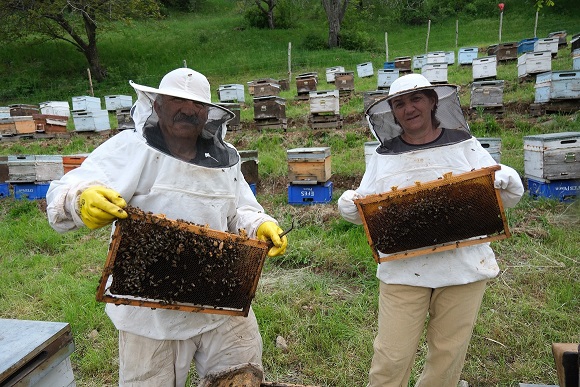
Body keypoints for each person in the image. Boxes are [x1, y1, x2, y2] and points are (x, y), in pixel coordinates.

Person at [46, 67, 288, 387]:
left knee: (241, 378)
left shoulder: (224, 160)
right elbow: (66, 189)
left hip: (220, 301)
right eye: (177, 100)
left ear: (208, 114)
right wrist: (78, 201)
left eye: (198, 105)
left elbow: (240, 208)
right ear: (157, 105)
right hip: (151, 312)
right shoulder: (130, 148)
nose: (188, 110)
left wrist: (260, 224)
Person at [338, 73, 524, 387]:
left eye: (416, 99)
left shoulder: (464, 143)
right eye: (399, 103)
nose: (409, 108)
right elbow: (365, 209)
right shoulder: (384, 156)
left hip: (462, 267)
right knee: (391, 356)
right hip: (404, 270)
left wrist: (506, 177)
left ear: (433, 101)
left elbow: (505, 195)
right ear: (393, 112)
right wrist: (350, 203)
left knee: (448, 355)